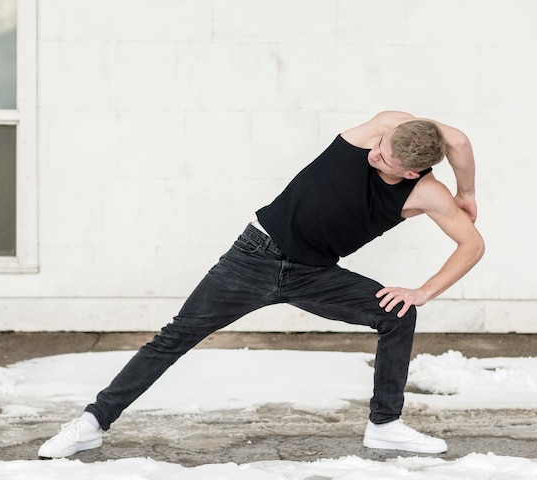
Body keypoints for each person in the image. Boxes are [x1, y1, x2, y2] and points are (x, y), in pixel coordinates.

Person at [38, 110, 484, 458]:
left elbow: (472, 244)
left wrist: (423, 290)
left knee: (399, 314)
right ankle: (92, 424)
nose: (373, 153)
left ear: (411, 173)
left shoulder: (426, 194)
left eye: (384, 158)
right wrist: (470, 191)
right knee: (173, 338)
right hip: (254, 254)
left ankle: (385, 426)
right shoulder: (382, 127)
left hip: (315, 275)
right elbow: (459, 139)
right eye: (380, 145)